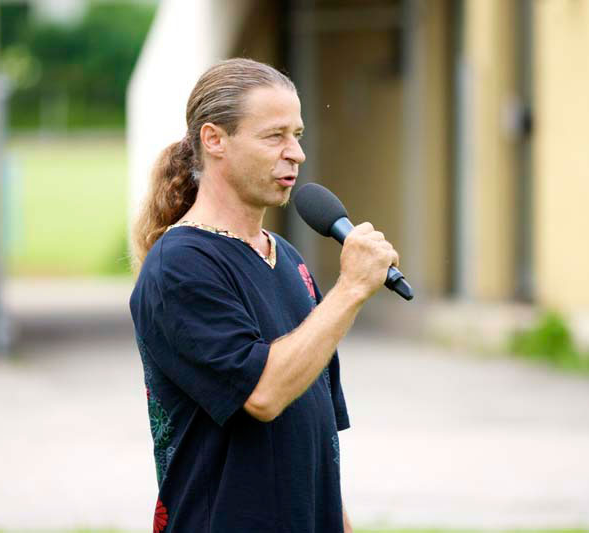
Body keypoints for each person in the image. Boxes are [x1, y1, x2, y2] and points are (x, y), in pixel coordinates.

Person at [129, 58, 399, 533]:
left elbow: (314, 433)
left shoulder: (288, 258)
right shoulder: (181, 265)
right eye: (275, 136)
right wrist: (353, 287)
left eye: (297, 135)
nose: (296, 153)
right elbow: (263, 394)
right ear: (214, 140)